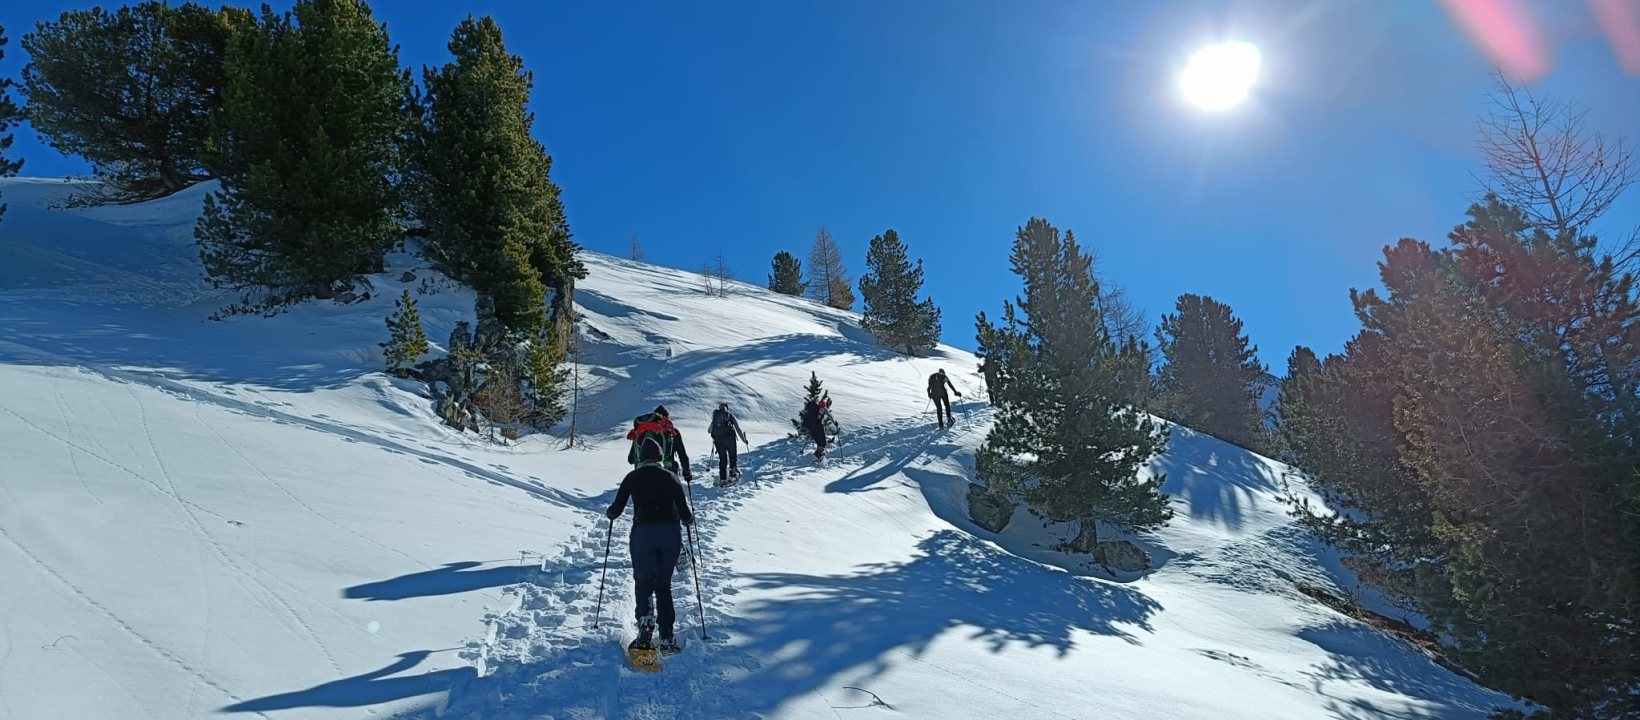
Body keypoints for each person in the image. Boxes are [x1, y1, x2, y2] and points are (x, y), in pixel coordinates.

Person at [606, 435, 695, 654]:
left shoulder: (632, 477)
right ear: (660, 458)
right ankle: (666, 635)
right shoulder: (671, 477)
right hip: (670, 534)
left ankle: (645, 623)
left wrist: (610, 513)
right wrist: (688, 520)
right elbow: (685, 514)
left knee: (644, 581)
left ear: (642, 458)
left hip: (643, 533)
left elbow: (615, 510)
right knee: (664, 584)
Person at [627, 405, 692, 483]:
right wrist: (687, 474)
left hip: (642, 476)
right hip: (667, 474)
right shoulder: (672, 432)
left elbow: (631, 459)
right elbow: (683, 456)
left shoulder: (640, 432)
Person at [708, 402, 748, 483]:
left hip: (719, 441)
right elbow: (738, 429)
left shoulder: (716, 418)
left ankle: (722, 478)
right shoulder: (729, 415)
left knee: (723, 459)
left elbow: (709, 431)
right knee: (732, 457)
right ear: (727, 408)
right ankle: (733, 475)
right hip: (730, 440)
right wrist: (744, 440)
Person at [800, 395, 832, 459]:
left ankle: (818, 454)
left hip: (812, 427)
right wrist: (835, 423)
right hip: (818, 426)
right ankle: (818, 454)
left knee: (818, 441)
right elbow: (830, 416)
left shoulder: (814, 409)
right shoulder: (823, 409)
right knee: (822, 441)